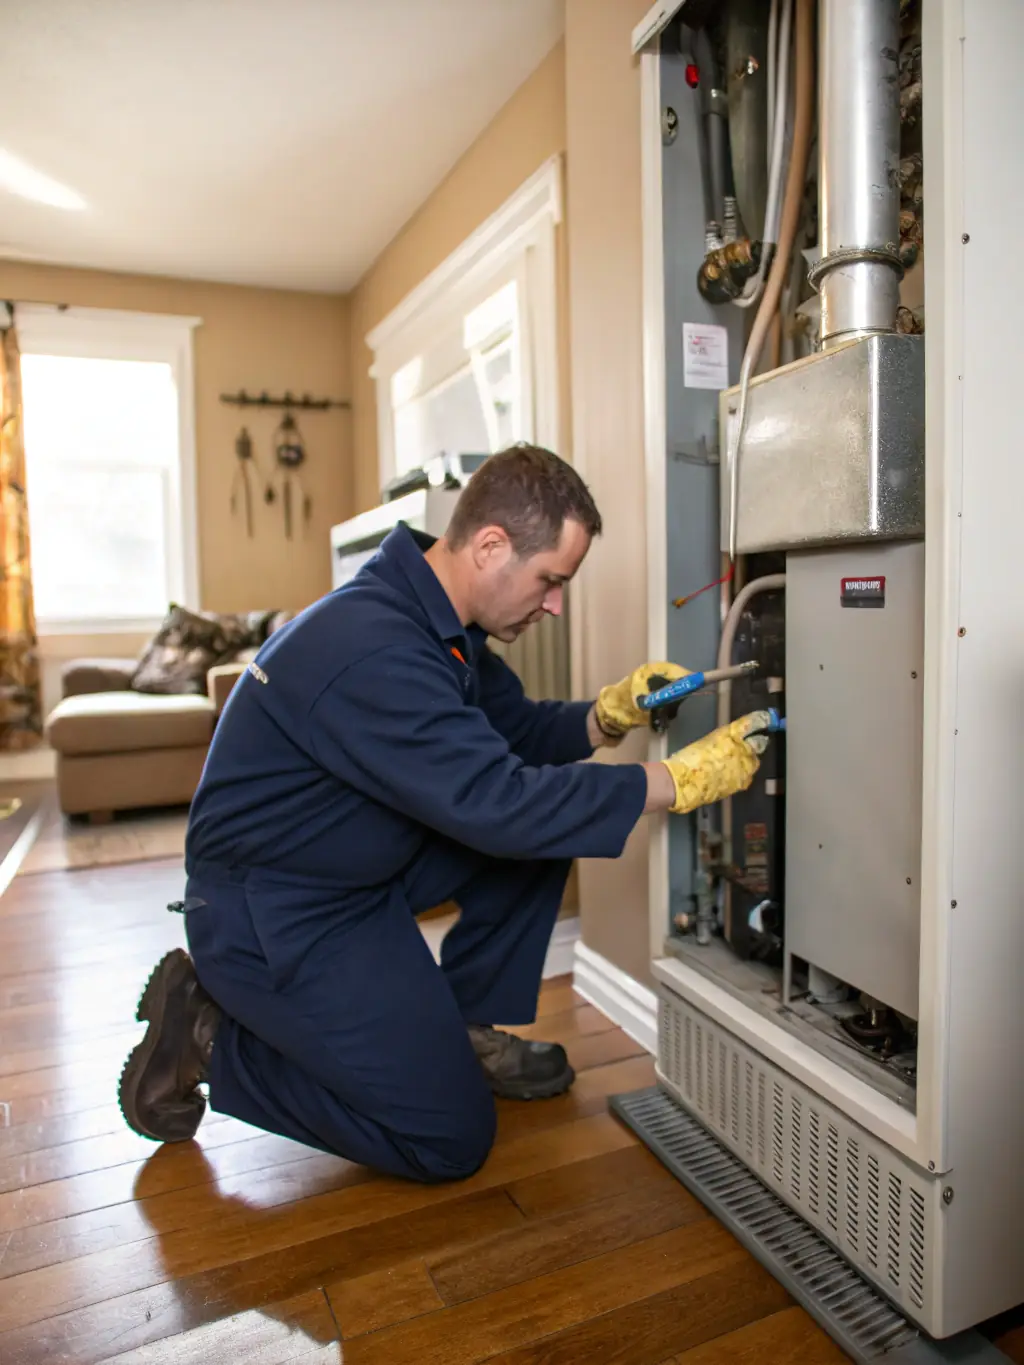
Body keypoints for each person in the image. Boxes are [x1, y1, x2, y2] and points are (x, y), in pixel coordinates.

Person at [118, 444, 769, 1184]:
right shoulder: (376, 648)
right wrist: (673, 781)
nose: (555, 603)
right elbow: (501, 805)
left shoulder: (432, 622)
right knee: (448, 1137)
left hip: (347, 867)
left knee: (539, 829)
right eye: (551, 579)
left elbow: (510, 738)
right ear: (492, 545)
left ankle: (459, 1030)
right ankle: (209, 1038)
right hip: (270, 910)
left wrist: (609, 713)